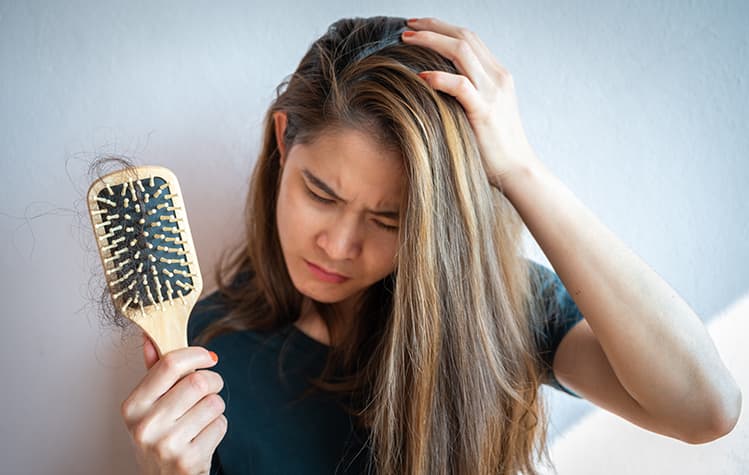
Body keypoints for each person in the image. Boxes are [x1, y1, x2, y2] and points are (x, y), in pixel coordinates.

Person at [119, 16, 741, 475]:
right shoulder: (204, 347)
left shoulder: (498, 309)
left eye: (390, 220)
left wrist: (519, 170)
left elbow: (705, 408)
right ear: (284, 141)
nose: (338, 245)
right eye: (321, 192)